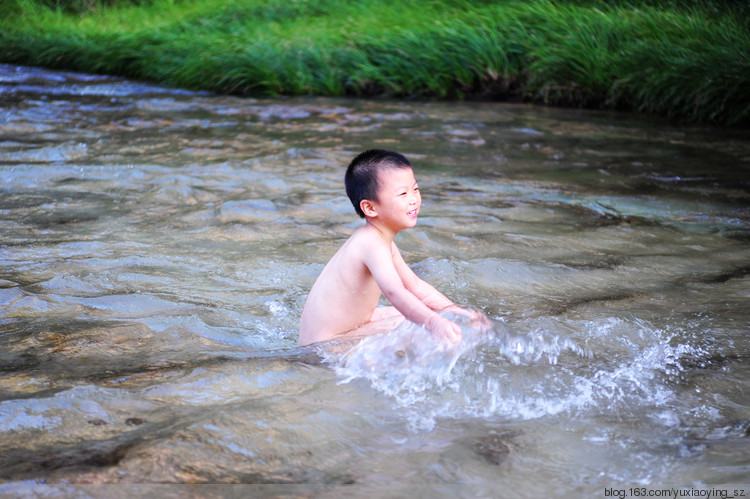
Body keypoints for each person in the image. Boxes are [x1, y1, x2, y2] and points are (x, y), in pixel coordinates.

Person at [299, 149, 472, 347]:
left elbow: (414, 286)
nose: (413, 198)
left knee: (418, 312)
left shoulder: (380, 241)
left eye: (415, 189)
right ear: (370, 208)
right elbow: (395, 292)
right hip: (325, 347)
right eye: (403, 193)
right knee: (411, 322)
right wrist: (435, 324)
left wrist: (455, 312)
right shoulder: (370, 244)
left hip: (338, 334)